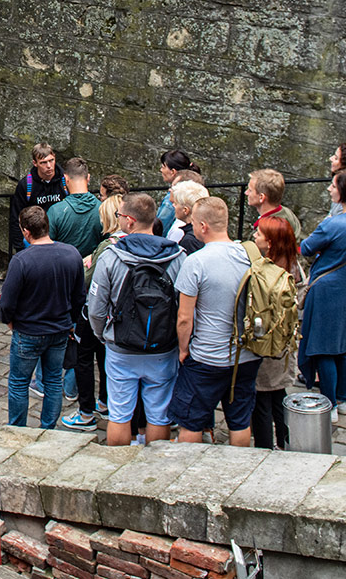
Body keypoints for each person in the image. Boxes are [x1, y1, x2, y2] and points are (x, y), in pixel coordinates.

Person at [88, 193, 184, 446]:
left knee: (119, 415)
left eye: (120, 216)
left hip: (122, 346)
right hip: (163, 347)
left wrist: (104, 335)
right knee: (159, 416)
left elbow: (96, 309)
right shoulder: (178, 258)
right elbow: (184, 307)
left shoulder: (111, 257)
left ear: (129, 221)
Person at [171, 197, 259, 445]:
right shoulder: (249, 254)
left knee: (190, 422)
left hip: (208, 356)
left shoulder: (196, 261)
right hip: (246, 355)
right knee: (240, 420)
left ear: (203, 226)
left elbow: (185, 318)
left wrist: (183, 349)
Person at [299, 166, 346, 409]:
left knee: (322, 348)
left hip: (327, 291)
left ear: (343, 190)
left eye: (333, 185)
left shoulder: (333, 224)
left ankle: (329, 402)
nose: (330, 188)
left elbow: (307, 248)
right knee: (343, 343)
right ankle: (344, 398)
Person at [0, 206, 82, 429]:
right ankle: (48, 427)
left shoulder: (21, 261)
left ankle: (18, 428)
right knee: (54, 380)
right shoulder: (72, 254)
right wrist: (71, 322)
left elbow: (7, 302)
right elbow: (78, 296)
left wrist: (9, 321)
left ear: (26, 232)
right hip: (59, 330)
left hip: (28, 331)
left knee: (18, 383)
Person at [49, 159, 107, 430]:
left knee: (71, 339)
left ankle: (66, 386)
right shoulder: (101, 210)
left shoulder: (57, 211)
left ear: (65, 180)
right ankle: (92, 395)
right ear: (89, 177)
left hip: (63, 285)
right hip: (96, 285)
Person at [249, 216, 302, 450]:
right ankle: (286, 442)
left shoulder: (265, 272)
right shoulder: (294, 266)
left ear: (269, 243)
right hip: (284, 345)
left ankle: (264, 448)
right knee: (279, 396)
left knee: (261, 401)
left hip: (265, 344)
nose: (254, 237)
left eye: (258, 234)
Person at [7, 143, 68, 254]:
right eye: (43, 163)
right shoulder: (26, 185)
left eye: (51, 160)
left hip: (60, 236)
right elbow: (16, 217)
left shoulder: (65, 180)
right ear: (35, 163)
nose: (49, 166)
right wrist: (20, 248)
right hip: (34, 237)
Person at [245, 169, 302, 241]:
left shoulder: (270, 227)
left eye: (250, 190)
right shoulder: (287, 213)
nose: (246, 193)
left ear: (261, 197)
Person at [155, 150, 196, 235]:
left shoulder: (171, 200)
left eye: (163, 166)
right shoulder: (194, 190)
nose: (161, 170)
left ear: (173, 171)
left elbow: (159, 229)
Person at [167, 180, 210, 254]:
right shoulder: (208, 232)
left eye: (175, 203)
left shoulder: (189, 241)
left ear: (185, 210)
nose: (173, 206)